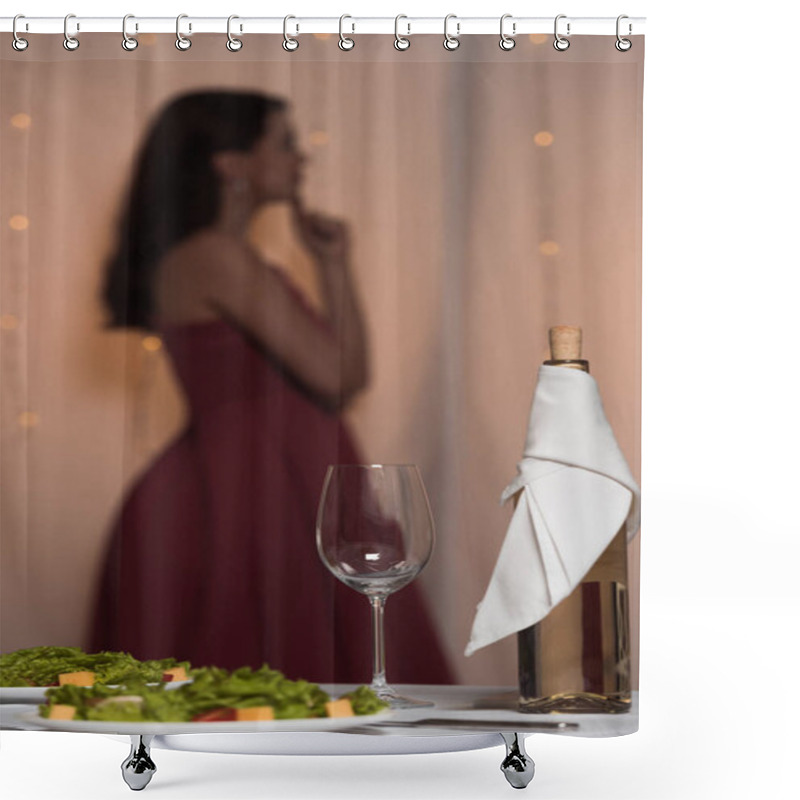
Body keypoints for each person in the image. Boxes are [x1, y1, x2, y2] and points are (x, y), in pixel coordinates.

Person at [89, 90, 454, 685]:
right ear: (229, 163)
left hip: (274, 478)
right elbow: (333, 376)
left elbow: (349, 377)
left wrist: (334, 263)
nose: (301, 158)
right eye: (284, 142)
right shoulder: (213, 257)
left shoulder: (230, 257)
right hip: (244, 493)